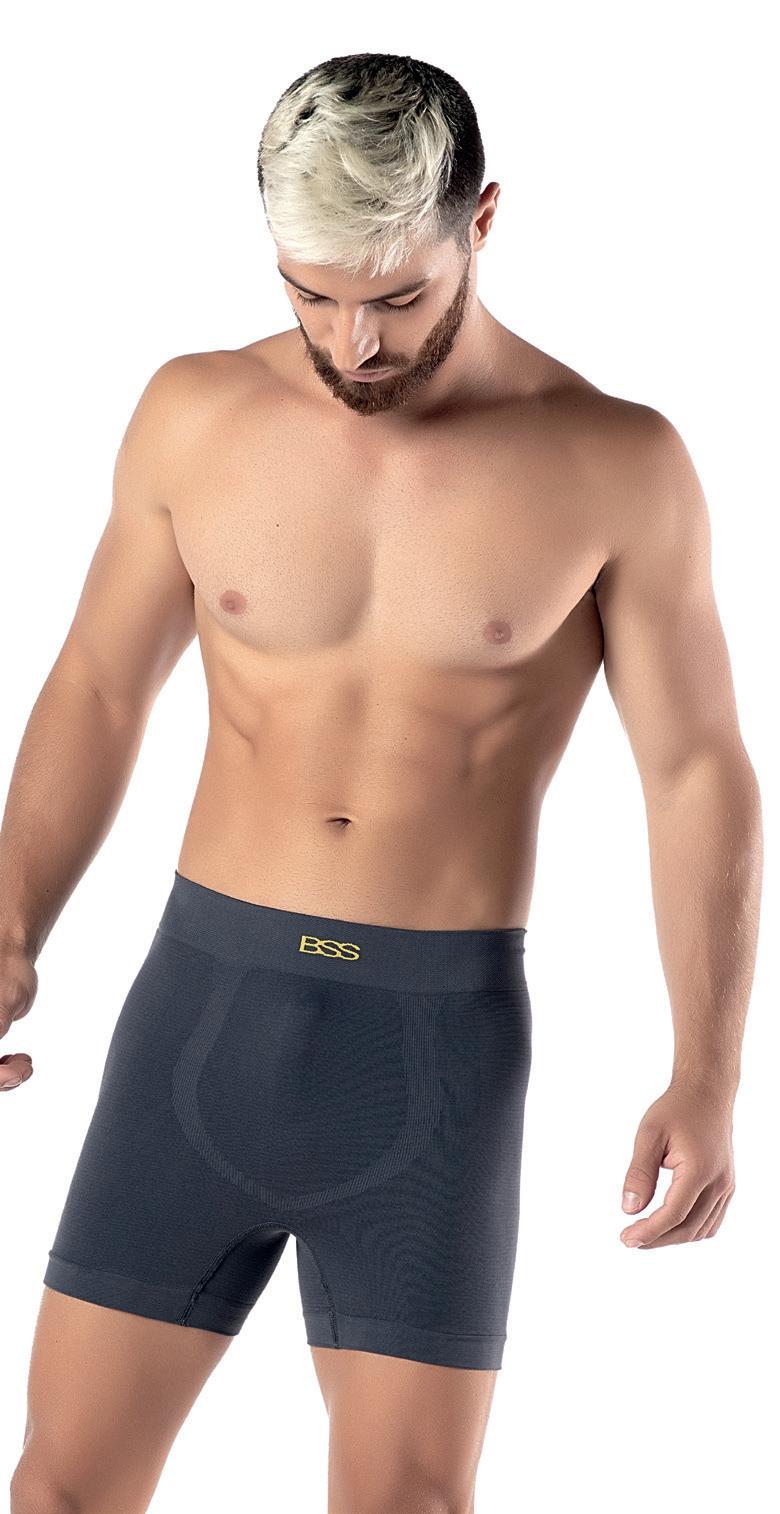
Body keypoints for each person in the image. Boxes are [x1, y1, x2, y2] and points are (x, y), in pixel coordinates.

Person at [1, 50, 763, 1514]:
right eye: (313, 296)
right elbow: (98, 683)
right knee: (61, 1492)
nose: (354, 344)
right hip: (199, 1022)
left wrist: (710, 1068)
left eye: (399, 300)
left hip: (432, 1056)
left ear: (484, 221)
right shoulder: (195, 416)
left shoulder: (617, 462)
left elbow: (693, 770)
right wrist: (10, 924)